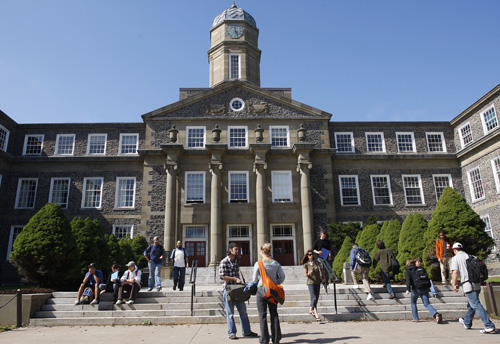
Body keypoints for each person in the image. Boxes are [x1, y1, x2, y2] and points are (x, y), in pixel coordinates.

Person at [451, 242, 496, 334]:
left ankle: (489, 325)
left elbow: (455, 272)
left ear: (454, 250)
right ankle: (467, 322)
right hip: (476, 284)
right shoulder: (470, 256)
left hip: (468, 285)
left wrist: (454, 284)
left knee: (475, 304)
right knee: (472, 304)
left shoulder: (455, 258)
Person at [219, 242, 258, 340]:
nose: (238, 251)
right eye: (236, 249)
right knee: (230, 313)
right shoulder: (224, 261)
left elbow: (237, 275)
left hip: (238, 291)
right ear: (230, 250)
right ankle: (232, 333)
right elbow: (222, 276)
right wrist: (235, 279)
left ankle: (247, 331)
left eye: (238, 249)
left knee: (243, 312)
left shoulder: (236, 261)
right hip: (228, 291)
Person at [252, 243, 286, 344]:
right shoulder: (276, 263)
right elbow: (283, 276)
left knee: (262, 315)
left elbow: (254, 280)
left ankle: (264, 340)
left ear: (262, 252)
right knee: (274, 314)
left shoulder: (258, 263)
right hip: (273, 291)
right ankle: (276, 339)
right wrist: (275, 283)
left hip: (261, 290)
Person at [405, 258, 442, 323]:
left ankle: (415, 318)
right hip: (424, 288)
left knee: (413, 303)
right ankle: (436, 314)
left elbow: (408, 280)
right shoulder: (421, 269)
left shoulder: (408, 270)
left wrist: (408, 289)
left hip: (415, 289)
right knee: (427, 304)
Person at [301, 249, 325, 321]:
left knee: (316, 298)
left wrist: (323, 278)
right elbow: (306, 274)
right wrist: (309, 273)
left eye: (311, 254)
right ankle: (311, 309)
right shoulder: (306, 264)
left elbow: (322, 270)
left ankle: (315, 312)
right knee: (313, 297)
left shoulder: (317, 263)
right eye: (309, 255)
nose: (310, 256)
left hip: (317, 282)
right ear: (307, 256)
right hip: (310, 282)